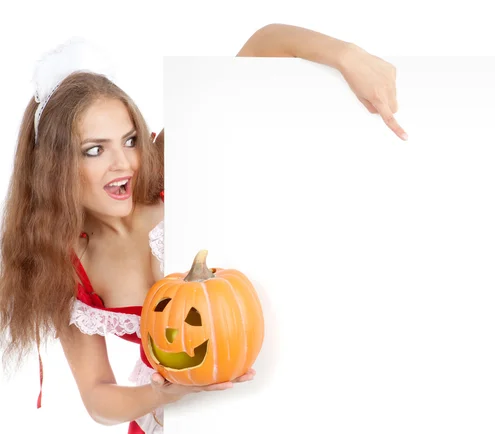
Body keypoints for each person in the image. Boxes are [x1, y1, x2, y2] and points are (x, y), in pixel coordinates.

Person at [0, 24, 408, 434]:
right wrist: (168, 394)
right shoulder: (66, 270)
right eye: (94, 149)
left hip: (286, 385)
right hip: (181, 419)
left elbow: (263, 44)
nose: (123, 163)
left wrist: (346, 55)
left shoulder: (170, 167)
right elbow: (97, 397)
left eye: (129, 140)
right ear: (53, 167)